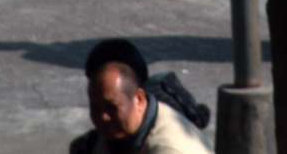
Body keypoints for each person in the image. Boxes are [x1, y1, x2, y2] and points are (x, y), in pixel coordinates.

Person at [70, 39, 214, 154]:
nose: (103, 117)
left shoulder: (170, 148)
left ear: (139, 99)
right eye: (95, 107)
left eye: (111, 107)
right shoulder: (115, 131)